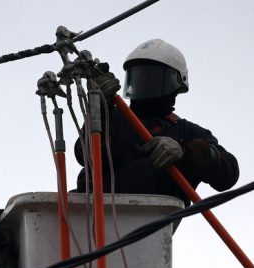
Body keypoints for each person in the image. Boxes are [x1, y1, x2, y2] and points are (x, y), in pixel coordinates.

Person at [74, 39, 239, 204]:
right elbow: (84, 155)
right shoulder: (113, 117)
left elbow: (228, 173)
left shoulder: (187, 132)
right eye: (139, 77)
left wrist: (184, 150)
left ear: (177, 84)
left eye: (153, 78)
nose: (145, 83)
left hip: (154, 219)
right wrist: (100, 109)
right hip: (94, 212)